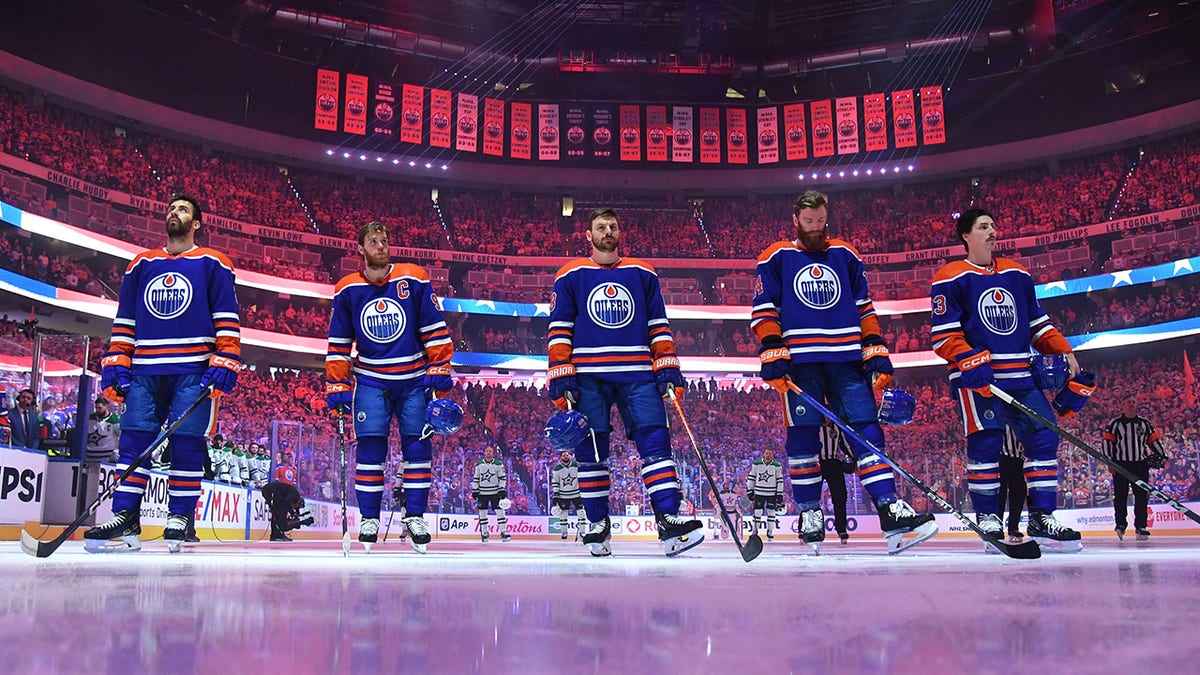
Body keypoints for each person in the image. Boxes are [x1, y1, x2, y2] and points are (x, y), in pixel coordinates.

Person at [752, 190, 937, 555]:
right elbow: (764, 309)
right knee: (802, 437)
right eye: (809, 222)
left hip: (847, 360)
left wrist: (875, 350)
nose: (816, 228)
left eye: (821, 221)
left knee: (867, 430)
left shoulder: (845, 254)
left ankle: (890, 510)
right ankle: (809, 514)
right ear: (795, 219)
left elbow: (864, 306)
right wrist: (773, 350)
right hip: (801, 363)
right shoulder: (776, 257)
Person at [84, 194, 244, 553]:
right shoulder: (141, 264)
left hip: (194, 368)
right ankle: (125, 517)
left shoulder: (213, 262)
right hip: (145, 368)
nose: (174, 213)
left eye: (183, 209)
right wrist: (118, 361)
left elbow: (226, 316)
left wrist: (225, 357)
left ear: (197, 223)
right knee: (133, 442)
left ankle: (179, 517)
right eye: (172, 209)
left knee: (187, 443)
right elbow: (125, 320)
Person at [546, 207, 703, 557]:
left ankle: (669, 518)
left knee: (656, 442)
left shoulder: (642, 273)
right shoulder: (569, 276)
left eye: (612, 226)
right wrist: (561, 373)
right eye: (600, 227)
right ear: (588, 235)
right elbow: (559, 329)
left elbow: (658, 325)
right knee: (592, 451)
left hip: (638, 371)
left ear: (620, 232)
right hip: (588, 376)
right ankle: (597, 524)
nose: (607, 232)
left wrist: (667, 368)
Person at [930, 207, 1089, 553]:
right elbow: (943, 335)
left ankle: (1042, 517)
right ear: (966, 236)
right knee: (986, 442)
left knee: (1044, 436)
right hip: (978, 379)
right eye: (984, 227)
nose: (993, 232)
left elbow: (1037, 323)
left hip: (1021, 375)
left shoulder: (1017, 274)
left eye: (994, 226)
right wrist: (970, 360)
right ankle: (987, 517)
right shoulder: (951, 276)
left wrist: (1064, 349)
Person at [325, 221, 455, 554]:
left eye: (384, 240)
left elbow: (433, 327)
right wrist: (337, 381)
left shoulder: (413, 277)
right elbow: (339, 342)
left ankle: (415, 517)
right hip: (370, 378)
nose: (381, 246)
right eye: (373, 241)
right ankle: (369, 518)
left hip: (413, 378)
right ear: (360, 248)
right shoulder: (347, 288)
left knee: (417, 450)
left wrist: (439, 366)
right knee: (370, 450)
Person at [1103, 394, 1167, 541]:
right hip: (1121, 465)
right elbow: (1107, 443)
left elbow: (1154, 441)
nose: (1131, 404)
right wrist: (1109, 462)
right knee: (1120, 496)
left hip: (1140, 464)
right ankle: (1120, 524)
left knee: (1141, 496)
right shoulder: (1115, 424)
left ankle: (1141, 526)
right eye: (1128, 402)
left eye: (1133, 402)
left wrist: (1163, 456)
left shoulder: (1144, 423)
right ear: (1122, 404)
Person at [818, 423, 855, 544]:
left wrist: (854, 459)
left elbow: (845, 445)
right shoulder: (814, 426)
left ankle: (841, 528)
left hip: (833, 462)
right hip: (817, 463)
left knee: (840, 496)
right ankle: (808, 528)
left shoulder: (837, 427)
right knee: (811, 497)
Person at [471, 446, 510, 543]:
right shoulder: (479, 465)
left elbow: (502, 478)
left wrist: (502, 489)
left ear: (493, 453)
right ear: (484, 452)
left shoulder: (498, 464)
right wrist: (475, 490)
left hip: (495, 493)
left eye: (490, 451)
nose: (488, 453)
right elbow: (476, 478)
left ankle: (503, 532)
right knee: (482, 514)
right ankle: (484, 533)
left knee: (500, 513)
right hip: (482, 493)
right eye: (487, 451)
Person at [746, 448, 784, 540]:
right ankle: (755, 532)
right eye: (766, 453)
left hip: (772, 493)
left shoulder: (777, 465)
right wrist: (750, 490)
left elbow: (780, 480)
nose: (768, 455)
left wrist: (779, 494)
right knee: (757, 512)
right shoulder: (756, 464)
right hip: (759, 493)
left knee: (771, 513)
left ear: (772, 455)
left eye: (770, 454)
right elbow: (751, 477)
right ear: (763, 454)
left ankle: (770, 532)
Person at [996, 426, 1027, 542]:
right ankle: (997, 526)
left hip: (1018, 457)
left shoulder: (1018, 416)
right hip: (999, 456)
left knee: (1019, 492)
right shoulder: (1000, 413)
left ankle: (1013, 527)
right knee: (1000, 493)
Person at [550, 449, 585, 540]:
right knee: (563, 515)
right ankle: (564, 533)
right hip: (563, 495)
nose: (566, 457)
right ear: (561, 457)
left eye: (567, 455)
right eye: (564, 455)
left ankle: (582, 532)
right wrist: (556, 494)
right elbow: (555, 482)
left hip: (577, 493)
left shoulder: (576, 465)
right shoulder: (557, 469)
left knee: (581, 513)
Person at [85, 395, 121, 464]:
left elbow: (121, 436)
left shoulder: (115, 420)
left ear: (106, 406)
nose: (97, 410)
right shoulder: (89, 418)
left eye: (100, 408)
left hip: (107, 458)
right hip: (89, 457)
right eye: (96, 408)